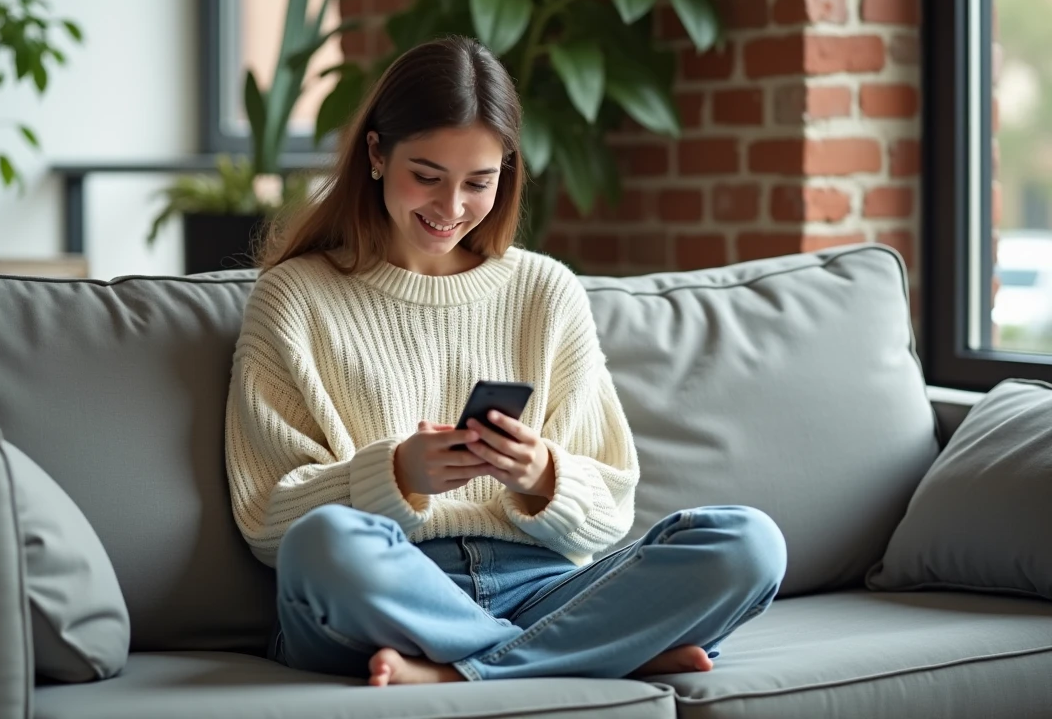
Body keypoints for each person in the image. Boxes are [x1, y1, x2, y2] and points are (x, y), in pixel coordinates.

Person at [224, 35, 787, 687]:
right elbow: (269, 520)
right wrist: (397, 474)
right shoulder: (293, 297)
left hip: (543, 586)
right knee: (322, 545)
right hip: (395, 591)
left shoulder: (546, 292)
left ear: (506, 172)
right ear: (376, 153)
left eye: (479, 183)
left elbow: (612, 506)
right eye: (426, 176)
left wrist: (542, 474)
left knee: (750, 544)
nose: (451, 208)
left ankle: (459, 671)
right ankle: (589, 654)